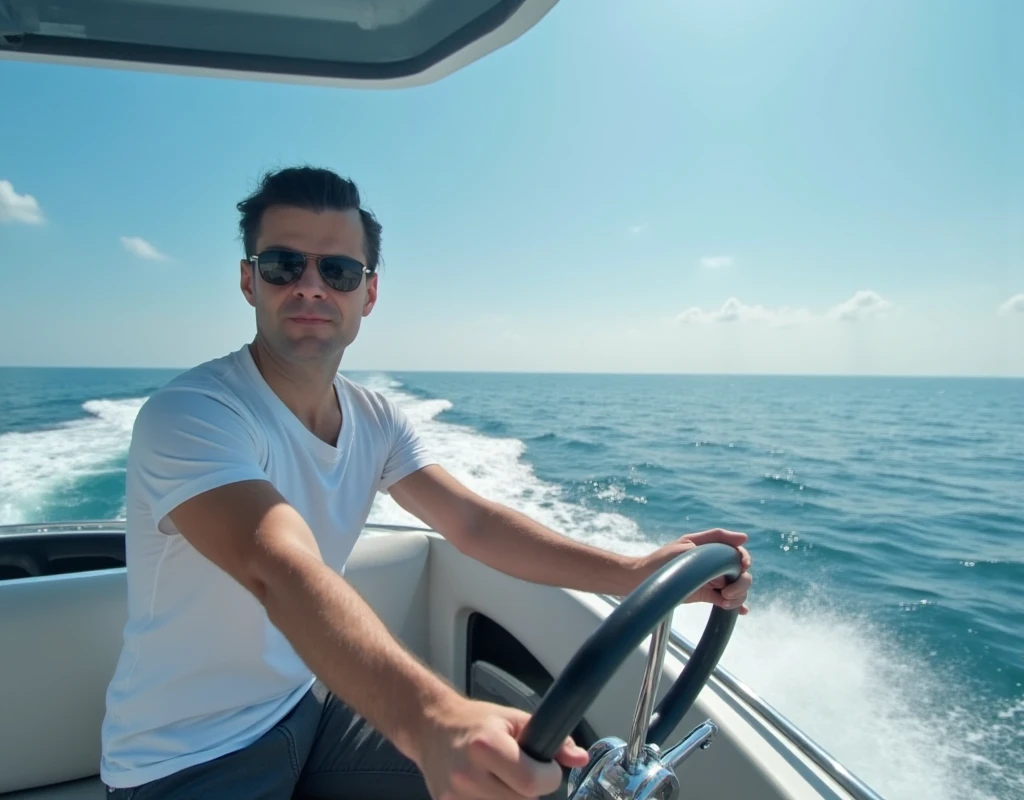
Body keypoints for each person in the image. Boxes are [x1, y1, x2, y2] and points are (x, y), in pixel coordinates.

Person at [99, 165, 753, 800]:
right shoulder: (192, 415)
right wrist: (433, 719)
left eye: (339, 270)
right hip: (185, 757)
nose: (310, 286)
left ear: (369, 293)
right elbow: (280, 567)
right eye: (282, 265)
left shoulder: (374, 417)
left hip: (307, 707)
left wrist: (634, 573)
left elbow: (472, 522)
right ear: (249, 281)